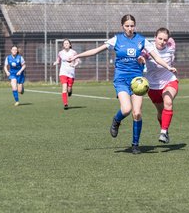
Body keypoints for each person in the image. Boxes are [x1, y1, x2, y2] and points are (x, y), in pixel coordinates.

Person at [68, 14, 177, 154]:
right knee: (126, 109)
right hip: (121, 80)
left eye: (132, 26)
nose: (130, 28)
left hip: (137, 81)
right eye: (127, 26)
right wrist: (77, 56)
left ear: (135, 26)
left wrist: (168, 67)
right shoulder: (116, 39)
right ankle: (116, 121)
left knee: (137, 113)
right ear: (122, 26)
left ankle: (135, 144)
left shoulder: (142, 40)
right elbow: (96, 50)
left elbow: (156, 58)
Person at [142, 27, 179, 144]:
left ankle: (163, 132)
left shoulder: (171, 46)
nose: (162, 42)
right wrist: (141, 59)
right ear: (155, 38)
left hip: (169, 80)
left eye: (164, 39)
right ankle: (164, 129)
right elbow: (142, 56)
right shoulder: (148, 49)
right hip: (153, 86)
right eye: (160, 38)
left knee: (168, 101)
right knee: (160, 111)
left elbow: (172, 41)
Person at [53, 39, 80, 110]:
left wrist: (74, 65)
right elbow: (58, 60)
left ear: (70, 45)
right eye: (65, 43)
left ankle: (70, 91)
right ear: (63, 45)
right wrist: (56, 62)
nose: (66, 44)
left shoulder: (74, 52)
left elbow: (77, 61)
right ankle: (65, 104)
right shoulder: (60, 53)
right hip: (63, 72)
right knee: (64, 88)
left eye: (67, 43)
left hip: (71, 73)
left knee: (69, 89)